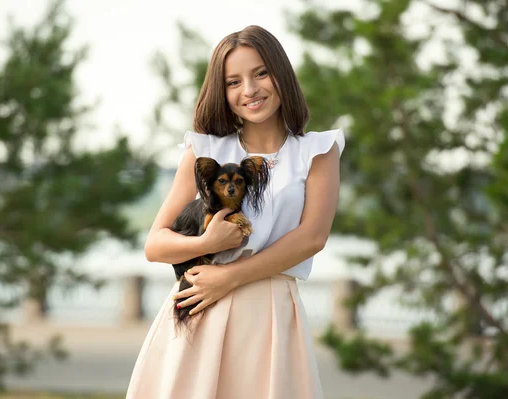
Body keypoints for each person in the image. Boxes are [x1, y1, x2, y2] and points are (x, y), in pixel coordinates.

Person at [126, 25, 344, 399]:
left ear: (282, 74)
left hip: (270, 315)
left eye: (261, 73)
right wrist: (209, 241)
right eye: (233, 81)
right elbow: (155, 244)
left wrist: (229, 277)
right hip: (198, 311)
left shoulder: (318, 151)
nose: (250, 90)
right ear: (222, 92)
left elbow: (312, 238)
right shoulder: (203, 149)